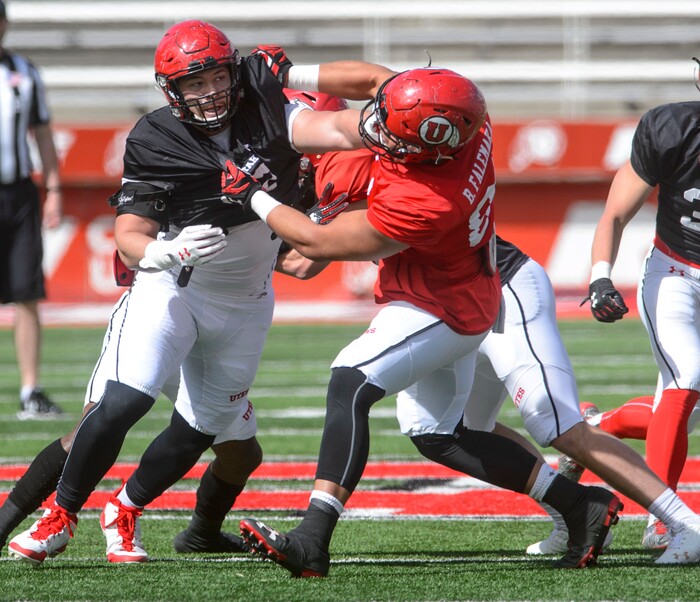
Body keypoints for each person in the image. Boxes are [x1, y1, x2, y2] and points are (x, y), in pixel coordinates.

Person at [6, 22, 393, 566]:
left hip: (246, 303)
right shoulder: (156, 137)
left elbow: (336, 131)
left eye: (215, 77)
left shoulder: (267, 104)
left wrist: (391, 118)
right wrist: (159, 253)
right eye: (193, 84)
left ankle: (128, 508)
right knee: (122, 400)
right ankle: (58, 517)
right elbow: (129, 235)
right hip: (174, 289)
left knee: (208, 427)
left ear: (234, 74)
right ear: (172, 91)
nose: (208, 92)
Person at [235, 66, 631, 577]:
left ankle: (313, 538)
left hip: (441, 304)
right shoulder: (461, 121)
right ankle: (581, 505)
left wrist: (252, 198)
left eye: (390, 130)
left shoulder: (425, 198)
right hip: (467, 288)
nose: (374, 127)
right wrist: (291, 72)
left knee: (350, 381)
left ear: (421, 151)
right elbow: (384, 82)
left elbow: (311, 253)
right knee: (435, 431)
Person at [578, 74, 700, 558]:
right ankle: (665, 521)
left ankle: (592, 430)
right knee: (687, 377)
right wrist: (600, 276)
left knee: (681, 416)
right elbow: (614, 213)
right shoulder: (672, 128)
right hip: (676, 273)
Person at [0, 0, 64, 419]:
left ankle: (30, 389)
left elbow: (41, 133)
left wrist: (54, 188)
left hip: (19, 193)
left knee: (26, 293)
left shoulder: (23, 71)